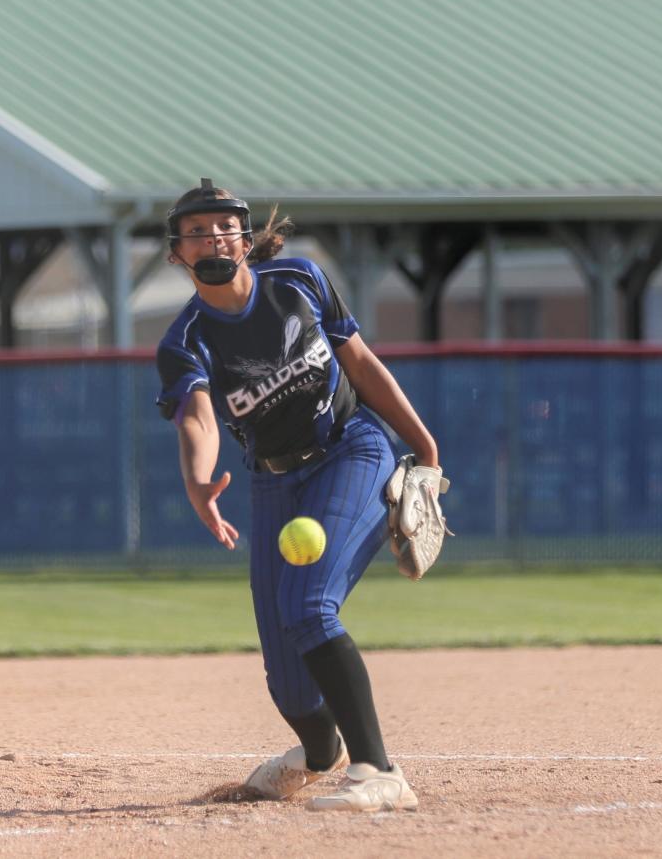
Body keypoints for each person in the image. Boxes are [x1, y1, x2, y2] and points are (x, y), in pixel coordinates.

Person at [155, 179, 445, 812]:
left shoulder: (297, 281)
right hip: (272, 482)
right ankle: (320, 754)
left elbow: (362, 365)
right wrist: (198, 479)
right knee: (287, 682)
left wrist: (423, 447)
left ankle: (380, 771)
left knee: (310, 606)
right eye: (195, 230)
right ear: (176, 251)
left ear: (243, 234)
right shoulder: (185, 341)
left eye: (222, 226)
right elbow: (199, 419)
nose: (211, 238)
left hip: (351, 449)